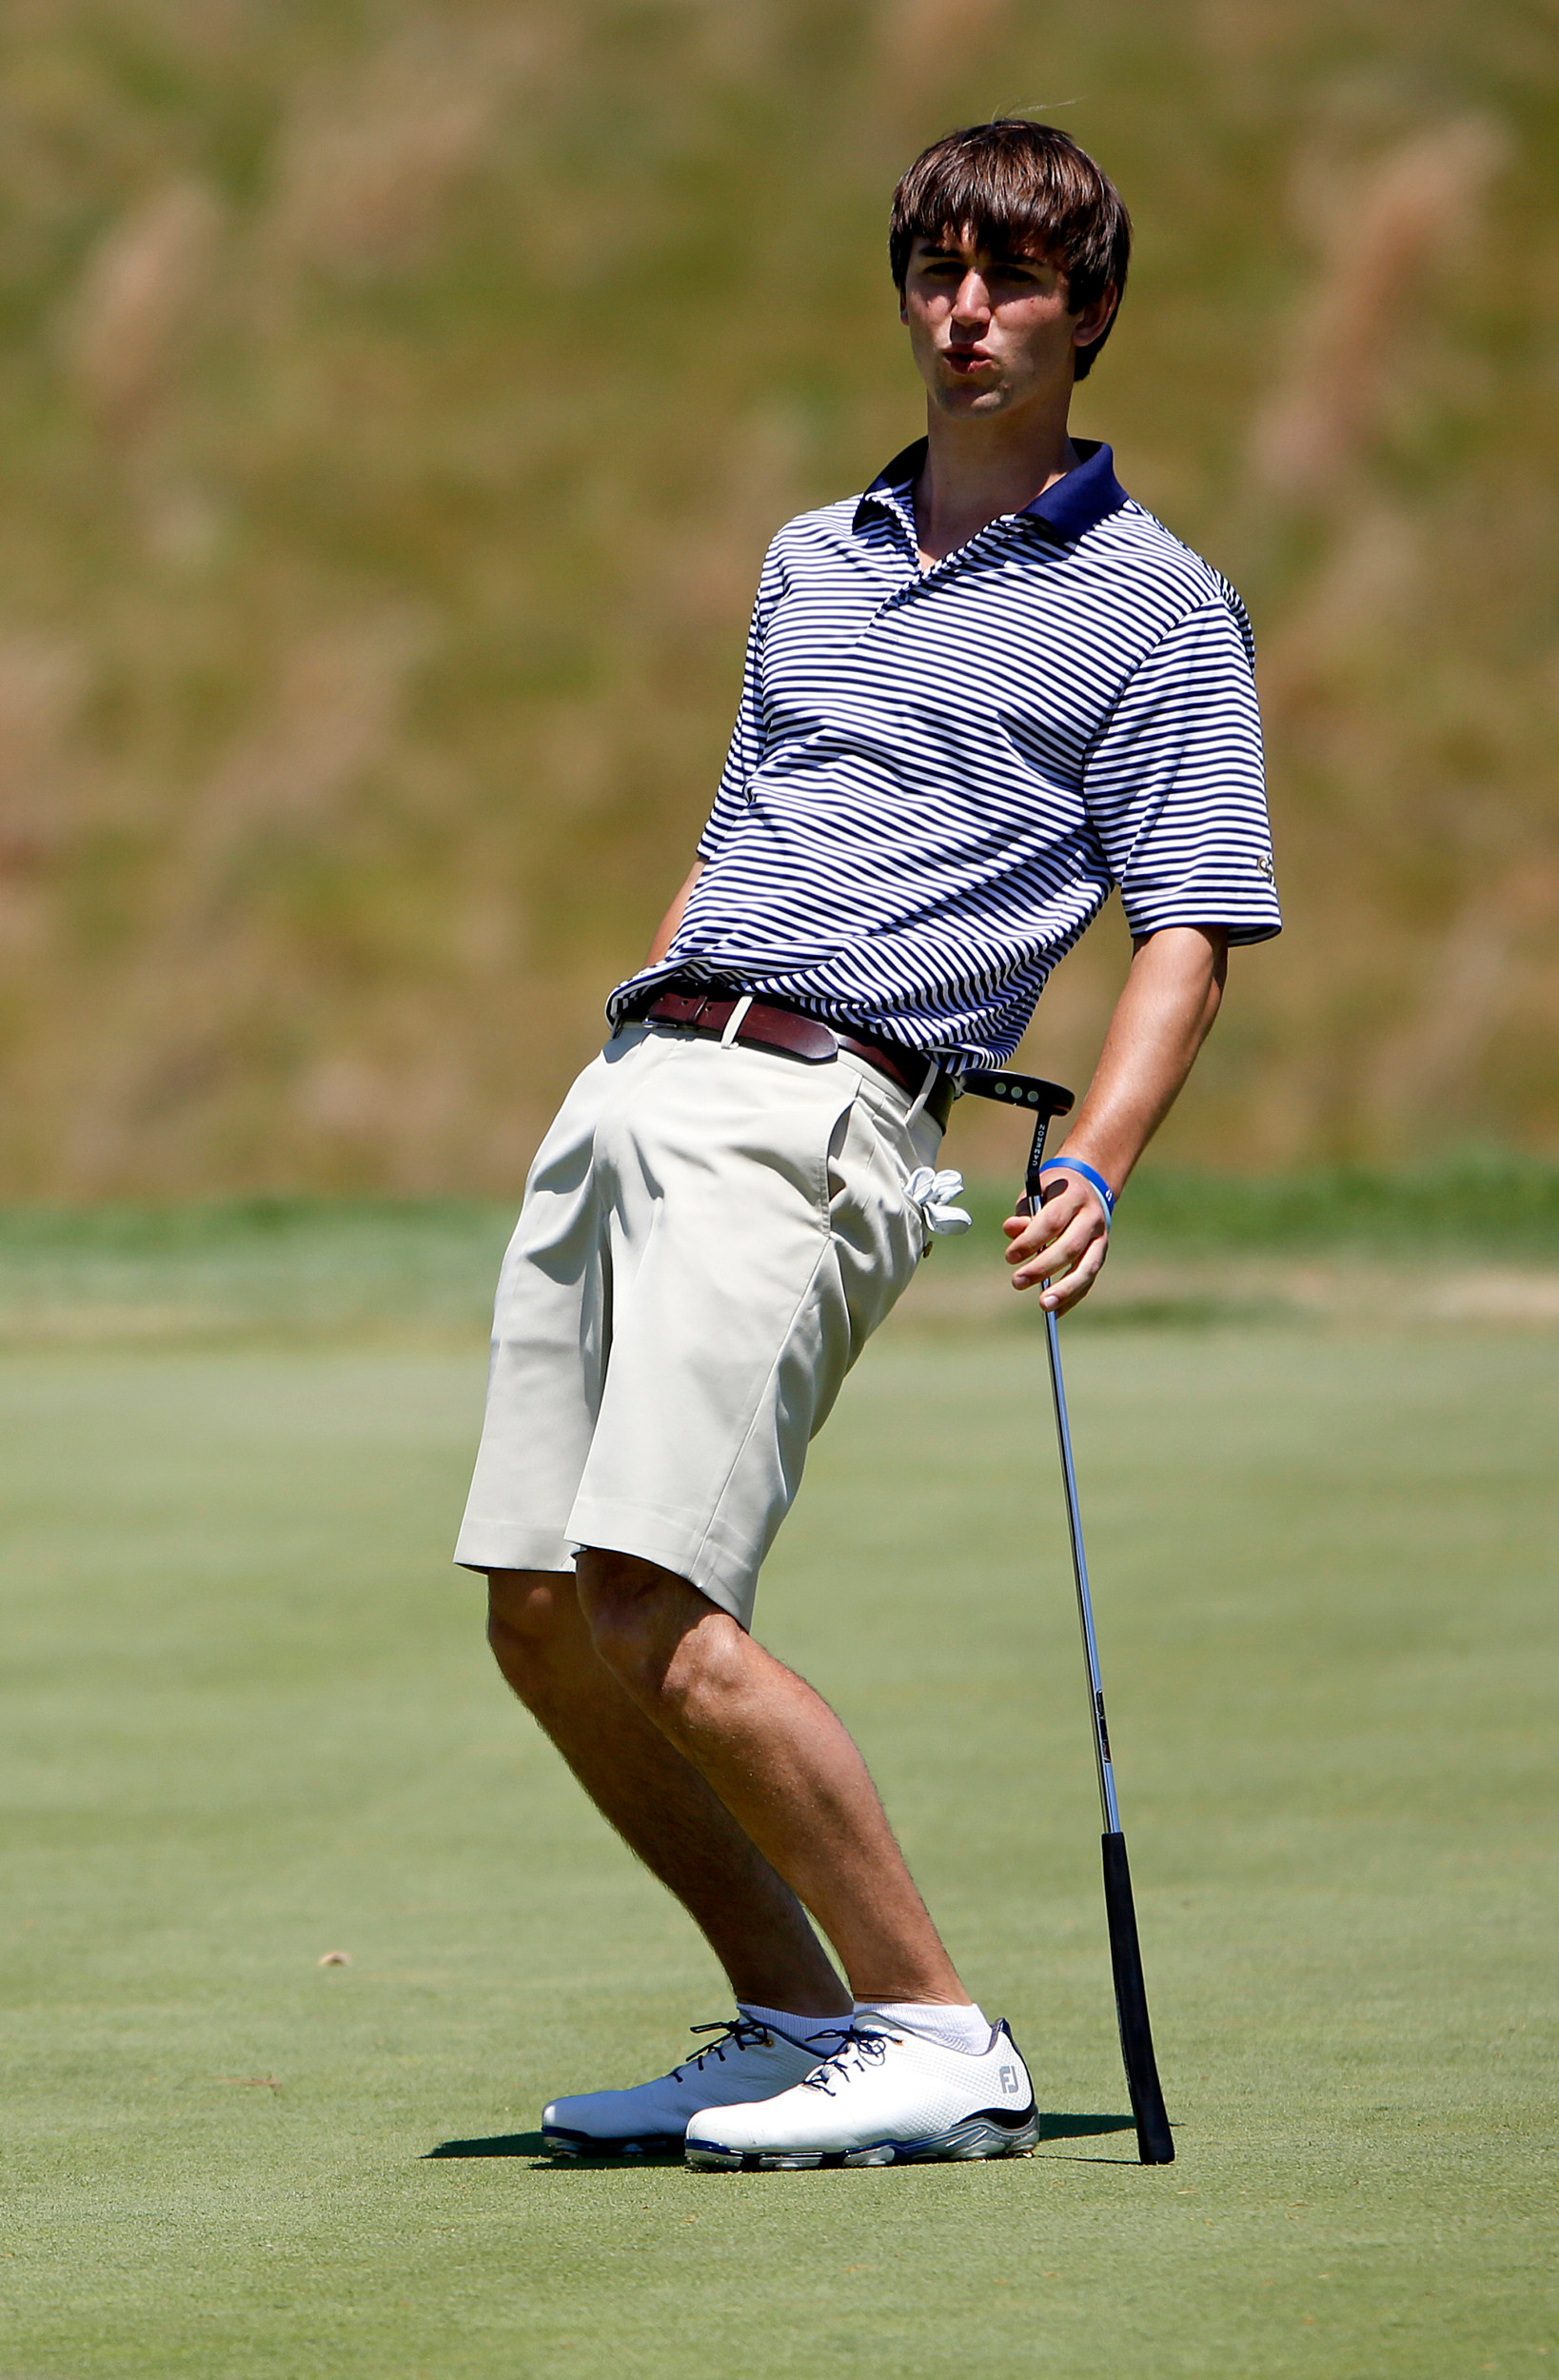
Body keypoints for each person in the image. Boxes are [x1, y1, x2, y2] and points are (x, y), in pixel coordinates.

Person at [454, 117, 1280, 2171]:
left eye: (1010, 280)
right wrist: (632, 1034)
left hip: (827, 1106)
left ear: (1089, 311)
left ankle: (936, 2024)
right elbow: (740, 823)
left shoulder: (1160, 609)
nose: (966, 312)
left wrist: (1095, 1153)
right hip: (650, 1079)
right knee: (541, 1607)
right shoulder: (811, 556)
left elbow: (1192, 922)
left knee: (654, 1592)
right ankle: (791, 2011)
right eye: (935, 271)